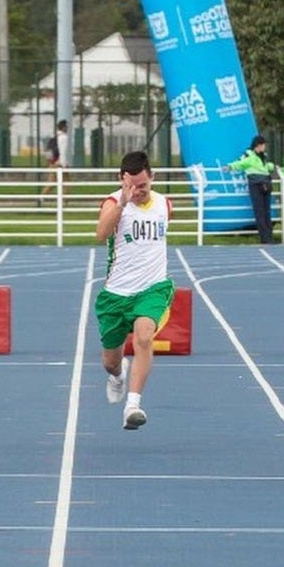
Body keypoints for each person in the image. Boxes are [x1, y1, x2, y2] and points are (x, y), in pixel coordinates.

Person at [94, 151, 173, 430]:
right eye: (133, 186)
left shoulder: (164, 204)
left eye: (143, 185)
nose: (139, 191)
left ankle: (133, 405)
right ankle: (117, 376)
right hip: (116, 294)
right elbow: (101, 234)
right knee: (110, 362)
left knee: (143, 337)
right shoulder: (113, 202)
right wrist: (123, 203)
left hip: (152, 288)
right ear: (122, 180)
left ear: (152, 177)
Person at [226, 134, 275, 243]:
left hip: (266, 184)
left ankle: (269, 236)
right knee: (260, 211)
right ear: (258, 145)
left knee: (267, 211)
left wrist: (271, 166)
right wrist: (230, 166)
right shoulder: (249, 156)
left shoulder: (263, 156)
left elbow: (266, 167)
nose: (264, 147)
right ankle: (265, 237)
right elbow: (240, 163)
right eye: (263, 145)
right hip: (256, 184)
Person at [39, 119, 69, 206]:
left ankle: (42, 198)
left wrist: (50, 162)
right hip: (59, 163)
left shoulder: (55, 137)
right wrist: (64, 164)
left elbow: (49, 150)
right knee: (66, 183)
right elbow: (62, 151)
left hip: (53, 163)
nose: (67, 128)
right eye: (66, 126)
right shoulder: (63, 137)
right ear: (63, 127)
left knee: (52, 182)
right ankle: (64, 201)